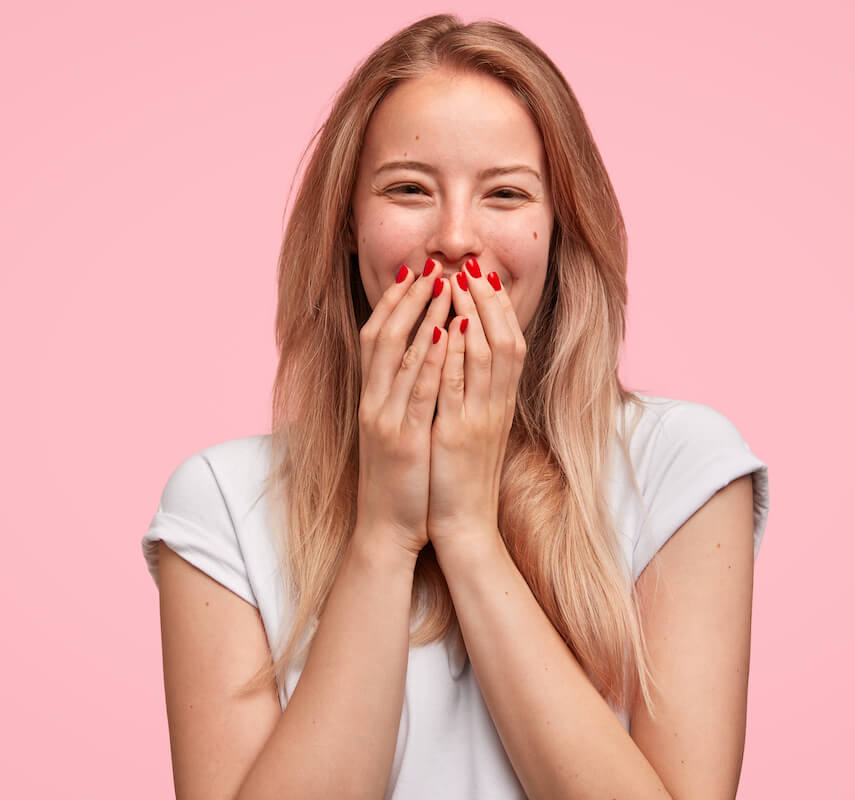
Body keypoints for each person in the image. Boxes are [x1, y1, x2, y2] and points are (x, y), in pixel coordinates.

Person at [141, 13, 770, 800]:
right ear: (347, 225)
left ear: (560, 231)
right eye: (409, 189)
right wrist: (386, 531)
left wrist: (469, 530)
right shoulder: (221, 503)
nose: (455, 237)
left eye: (506, 193)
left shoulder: (682, 468)